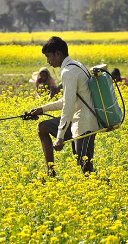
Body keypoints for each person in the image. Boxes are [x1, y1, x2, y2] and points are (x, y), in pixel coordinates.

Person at [30, 36, 100, 177]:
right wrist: (42, 109)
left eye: (49, 56)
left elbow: (67, 106)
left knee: (85, 166)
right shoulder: (76, 65)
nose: (48, 62)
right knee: (42, 127)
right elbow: (66, 100)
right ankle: (51, 172)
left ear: (58, 54)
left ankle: (105, 190)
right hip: (77, 121)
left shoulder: (68, 72)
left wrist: (60, 137)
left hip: (85, 123)